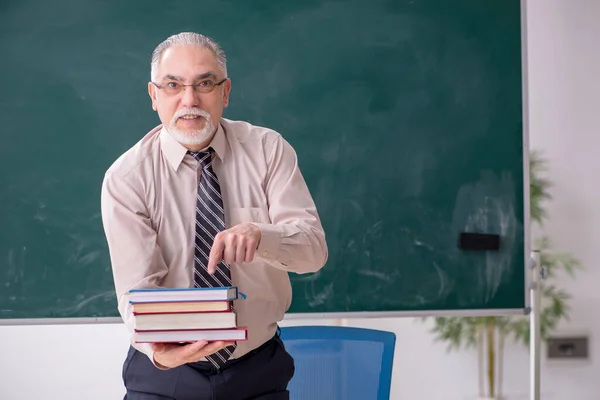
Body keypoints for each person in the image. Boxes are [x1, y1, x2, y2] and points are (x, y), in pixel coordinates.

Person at [100, 32, 328, 400]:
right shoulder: (127, 178)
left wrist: (261, 235)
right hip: (167, 375)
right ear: (153, 96)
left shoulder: (269, 151)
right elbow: (137, 289)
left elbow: (313, 251)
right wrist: (159, 350)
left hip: (257, 370)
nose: (189, 100)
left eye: (205, 83)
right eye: (173, 85)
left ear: (225, 92)